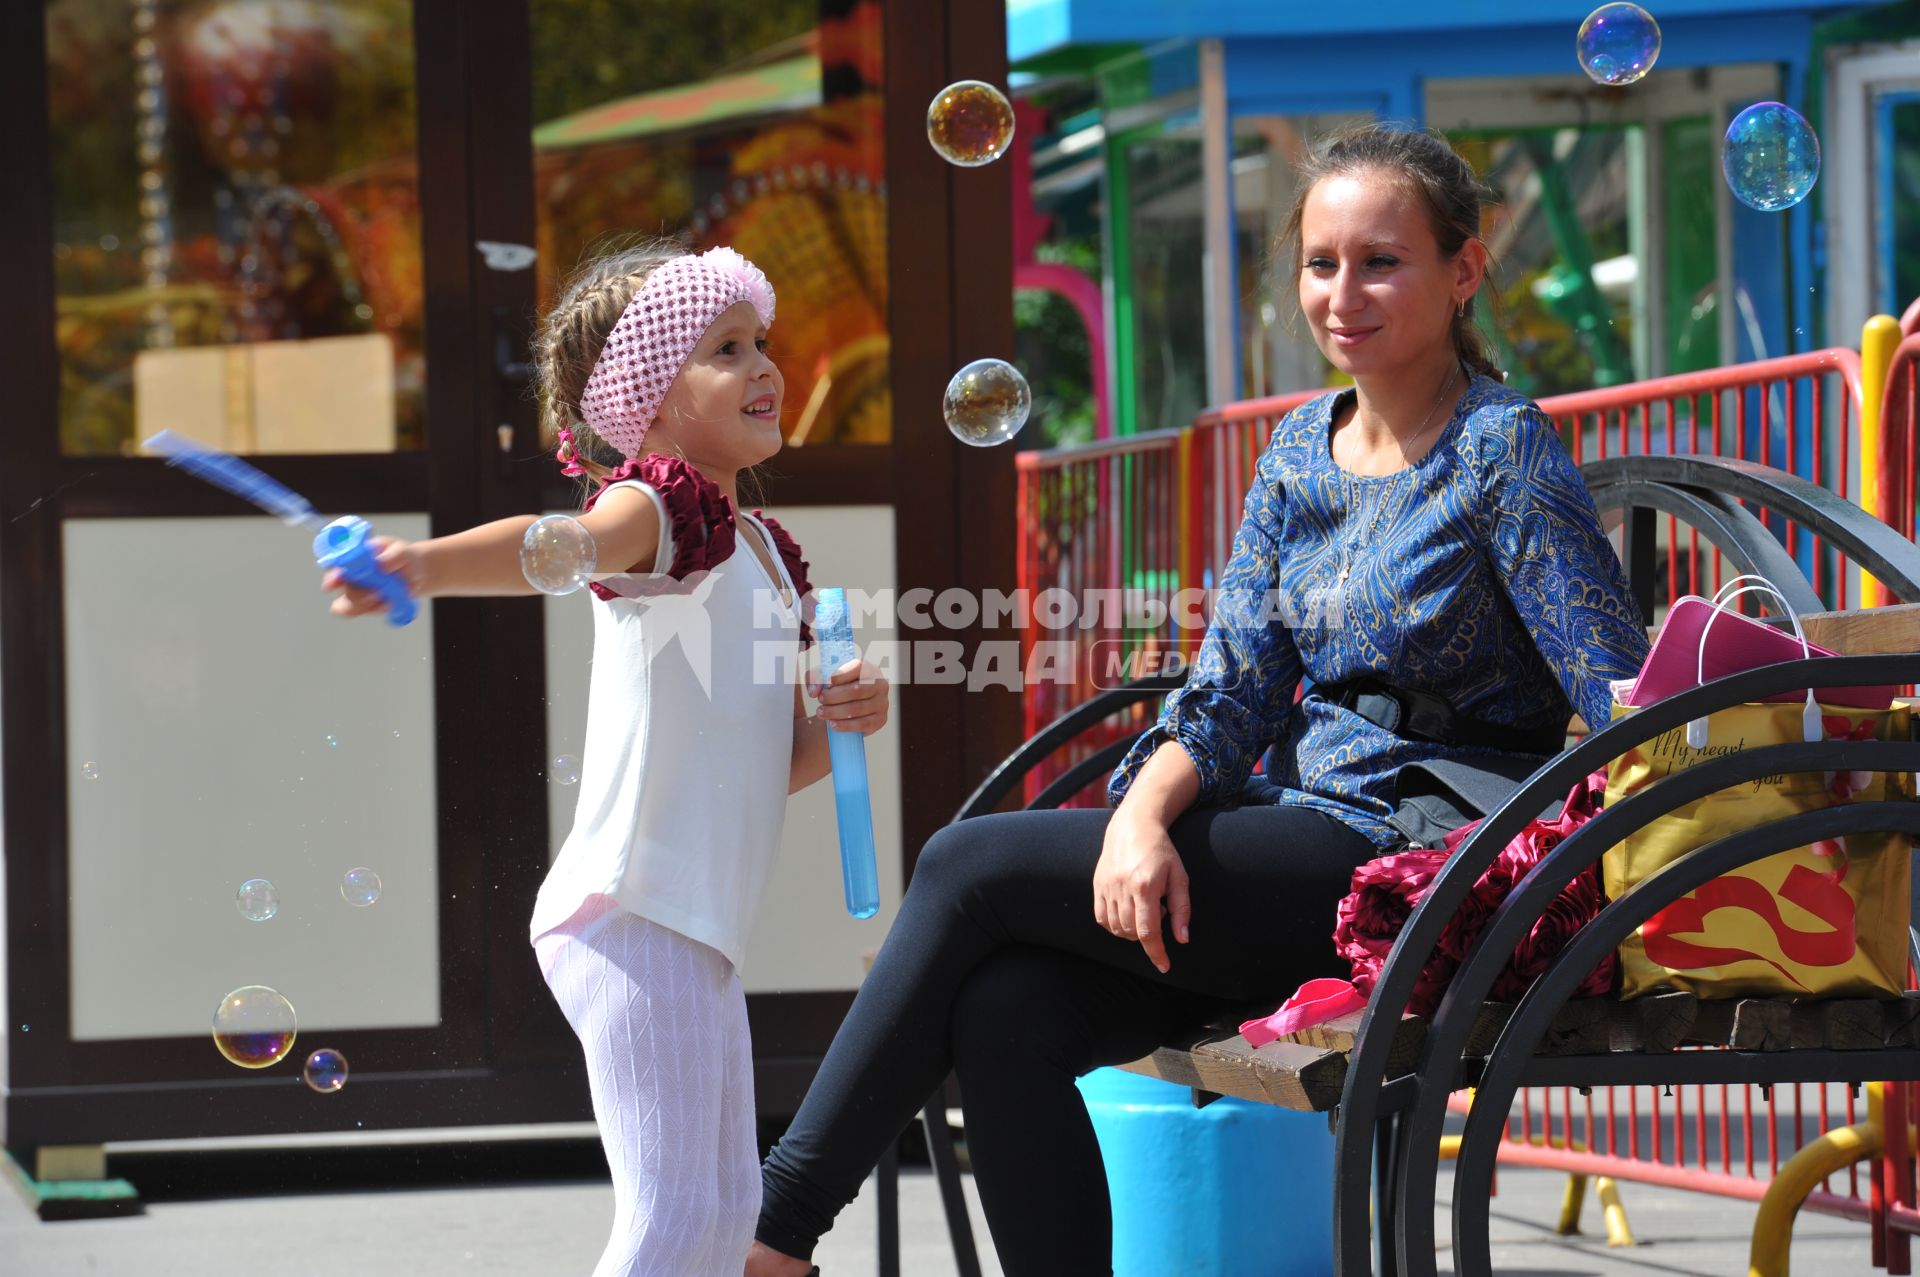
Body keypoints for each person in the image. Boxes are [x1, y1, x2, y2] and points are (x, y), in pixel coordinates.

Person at [745, 123, 1651, 1277]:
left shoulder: (1499, 446)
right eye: (1322, 262)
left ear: (1463, 270)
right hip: (1306, 842)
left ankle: (772, 1238)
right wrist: (1141, 819)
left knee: (966, 866)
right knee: (1007, 1010)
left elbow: (1615, 682)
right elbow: (1230, 687)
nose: (1344, 292)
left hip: (1425, 866)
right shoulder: (1297, 450)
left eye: (1383, 260)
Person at [324, 241, 889, 1277]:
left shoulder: (756, 544)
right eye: (724, 348)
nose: (762, 364)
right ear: (648, 404)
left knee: (723, 1219)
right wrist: (423, 565)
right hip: (634, 912)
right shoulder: (661, 510)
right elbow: (560, 543)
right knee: (676, 1221)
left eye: (759, 340)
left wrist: (843, 719)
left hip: (694, 923)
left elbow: (770, 759)